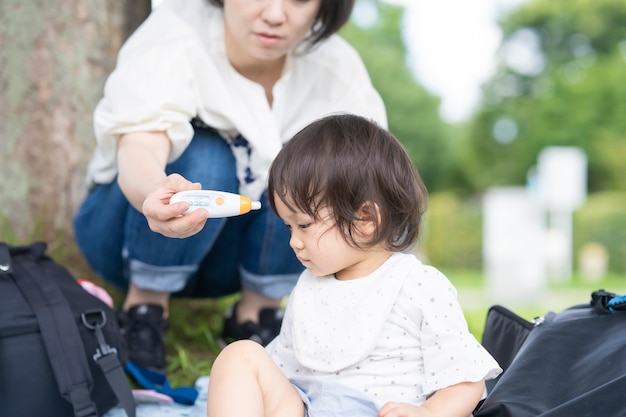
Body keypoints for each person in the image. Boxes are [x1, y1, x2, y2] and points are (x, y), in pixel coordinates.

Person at [72, 0, 386, 371]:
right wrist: (154, 192)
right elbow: (140, 145)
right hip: (127, 231)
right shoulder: (175, 33)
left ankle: (256, 317)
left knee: (304, 167)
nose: (274, 14)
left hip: (232, 259)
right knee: (207, 156)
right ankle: (145, 310)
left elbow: (367, 181)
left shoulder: (336, 67)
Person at [206, 113, 502, 417]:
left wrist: (428, 412)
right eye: (288, 227)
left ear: (365, 220)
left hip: (377, 410)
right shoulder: (309, 285)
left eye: (304, 225)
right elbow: (283, 369)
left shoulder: (418, 284)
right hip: (306, 405)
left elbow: (465, 379)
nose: (294, 241)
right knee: (239, 354)